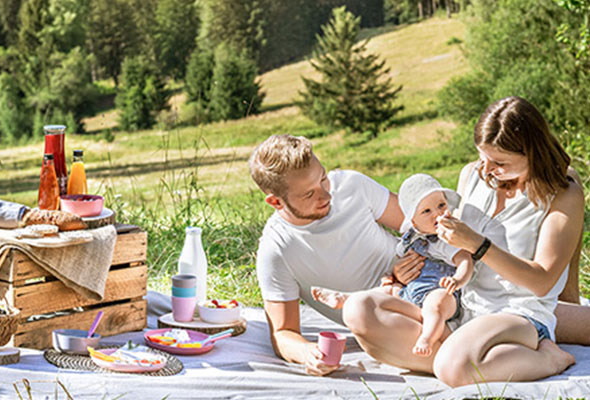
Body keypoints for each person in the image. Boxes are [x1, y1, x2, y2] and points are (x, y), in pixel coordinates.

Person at [338, 96, 583, 386]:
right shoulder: (472, 174)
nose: (487, 169)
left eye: (500, 162)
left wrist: (479, 245)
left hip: (518, 312)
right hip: (462, 303)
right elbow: (451, 249)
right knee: (359, 309)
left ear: (533, 152)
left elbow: (542, 281)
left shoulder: (563, 193)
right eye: (483, 157)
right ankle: (478, 358)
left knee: (452, 367)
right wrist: (405, 272)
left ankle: (547, 358)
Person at [248, 134, 413, 376]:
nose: (326, 195)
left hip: (432, 279)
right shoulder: (277, 249)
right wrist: (308, 353)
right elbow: (283, 333)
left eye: (323, 179)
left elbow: (421, 225)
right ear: (275, 202)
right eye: (308, 194)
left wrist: (410, 266)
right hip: (385, 323)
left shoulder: (352, 185)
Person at [312, 173, 474, 357]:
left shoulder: (446, 238)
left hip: (442, 291)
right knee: (386, 292)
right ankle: (347, 299)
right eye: (426, 211)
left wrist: (457, 280)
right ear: (413, 222)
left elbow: (465, 259)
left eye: (441, 205)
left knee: (434, 306)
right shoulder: (409, 241)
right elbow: (398, 264)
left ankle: (428, 338)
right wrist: (391, 278)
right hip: (412, 291)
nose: (437, 214)